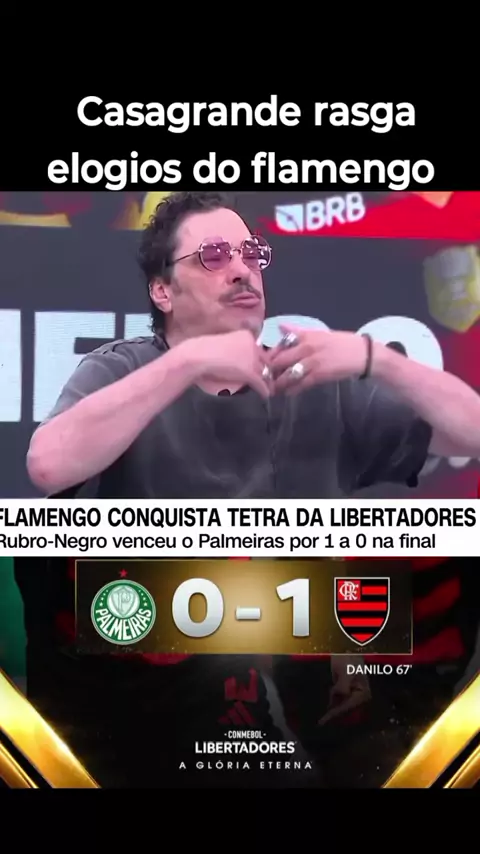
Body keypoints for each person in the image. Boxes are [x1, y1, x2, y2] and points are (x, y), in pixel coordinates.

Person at [21, 191, 480, 787]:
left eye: (251, 253)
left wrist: (377, 359)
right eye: (213, 256)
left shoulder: (317, 384)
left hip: (300, 675)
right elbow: (48, 466)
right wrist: (186, 364)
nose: (242, 269)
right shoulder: (121, 370)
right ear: (163, 292)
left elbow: (472, 432)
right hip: (152, 690)